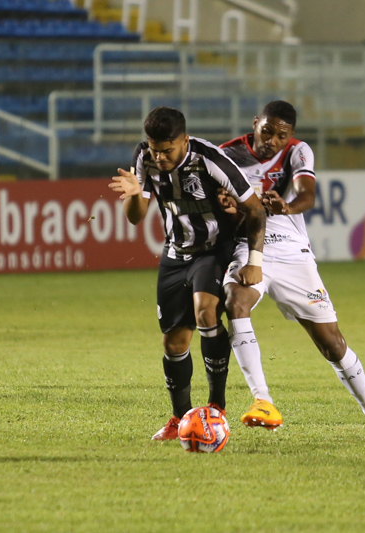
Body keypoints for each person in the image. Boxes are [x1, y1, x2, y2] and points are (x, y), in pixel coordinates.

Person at [218, 100, 365, 441]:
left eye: (281, 134)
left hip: (292, 254)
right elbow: (216, 206)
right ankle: (263, 400)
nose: (273, 140)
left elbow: (307, 194)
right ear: (255, 123)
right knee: (235, 302)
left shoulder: (297, 152)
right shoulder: (226, 155)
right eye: (267, 131)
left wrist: (286, 206)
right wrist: (230, 209)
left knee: (332, 344)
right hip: (249, 247)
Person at [108, 106, 266, 440]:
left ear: (185, 141)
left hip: (213, 249)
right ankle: (179, 418)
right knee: (174, 341)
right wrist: (135, 194)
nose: (160, 157)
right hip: (175, 252)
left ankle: (216, 407)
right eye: (155, 150)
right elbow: (136, 217)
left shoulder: (209, 158)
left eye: (168, 150)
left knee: (205, 310)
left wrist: (255, 261)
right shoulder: (144, 158)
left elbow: (255, 209)